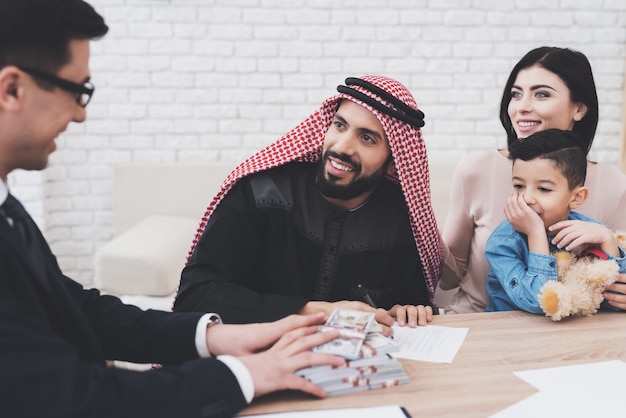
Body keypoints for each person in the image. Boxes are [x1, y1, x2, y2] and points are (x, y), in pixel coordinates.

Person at [0, 1, 347, 417]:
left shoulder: (9, 209)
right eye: (78, 90)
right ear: (12, 90)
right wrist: (247, 373)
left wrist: (216, 337)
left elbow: (78, 310)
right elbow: (75, 398)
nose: (81, 114)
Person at [173, 75, 443, 335]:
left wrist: (407, 311)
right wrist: (318, 313)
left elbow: (408, 304)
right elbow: (196, 297)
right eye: (339, 125)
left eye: (367, 138)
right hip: (248, 364)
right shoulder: (261, 192)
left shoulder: (401, 219)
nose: (342, 146)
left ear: (395, 164)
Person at [439, 46, 626, 314]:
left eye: (541, 94)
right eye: (516, 94)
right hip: (483, 327)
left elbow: (612, 277)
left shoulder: (614, 184)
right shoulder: (476, 170)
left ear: (579, 108)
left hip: (572, 337)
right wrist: (420, 223)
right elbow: (448, 279)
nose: (522, 107)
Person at [485, 129, 626, 312]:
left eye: (543, 189)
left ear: (576, 198)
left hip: (574, 334)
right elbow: (537, 301)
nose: (527, 198)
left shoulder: (592, 232)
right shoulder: (503, 243)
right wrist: (535, 233)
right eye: (519, 186)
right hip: (512, 334)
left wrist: (608, 240)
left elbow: (615, 300)